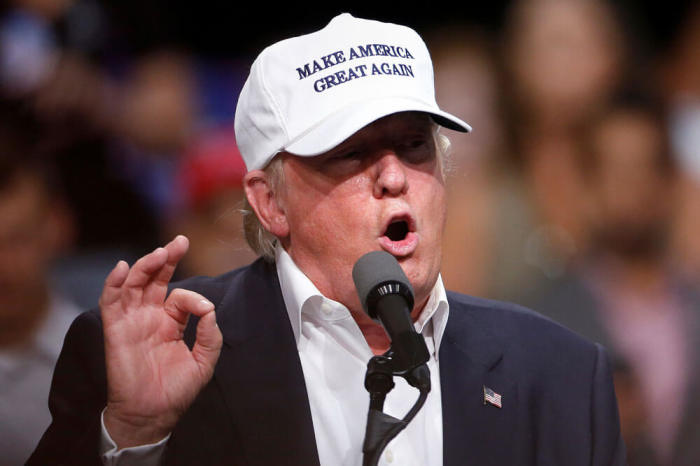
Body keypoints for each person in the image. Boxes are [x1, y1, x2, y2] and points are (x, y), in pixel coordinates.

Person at [29, 14, 626, 466]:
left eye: (415, 146)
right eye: (352, 153)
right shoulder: (156, 357)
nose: (393, 177)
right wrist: (133, 436)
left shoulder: (562, 376)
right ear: (271, 202)